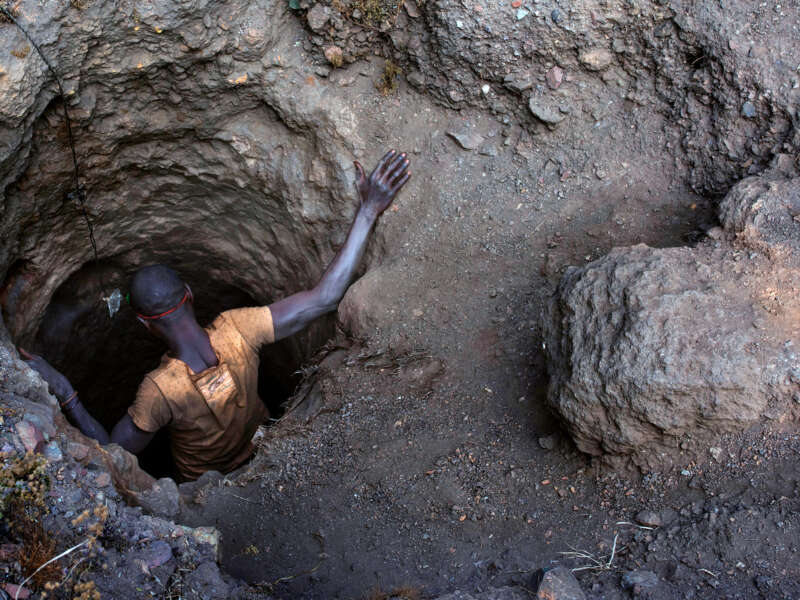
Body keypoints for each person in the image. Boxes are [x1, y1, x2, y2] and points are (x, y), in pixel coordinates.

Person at [20, 150, 411, 481]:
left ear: (144, 323)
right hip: (266, 451)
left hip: (203, 486)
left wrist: (65, 392)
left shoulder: (159, 390)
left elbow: (112, 452)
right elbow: (325, 297)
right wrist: (369, 209)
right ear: (190, 294)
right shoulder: (239, 328)